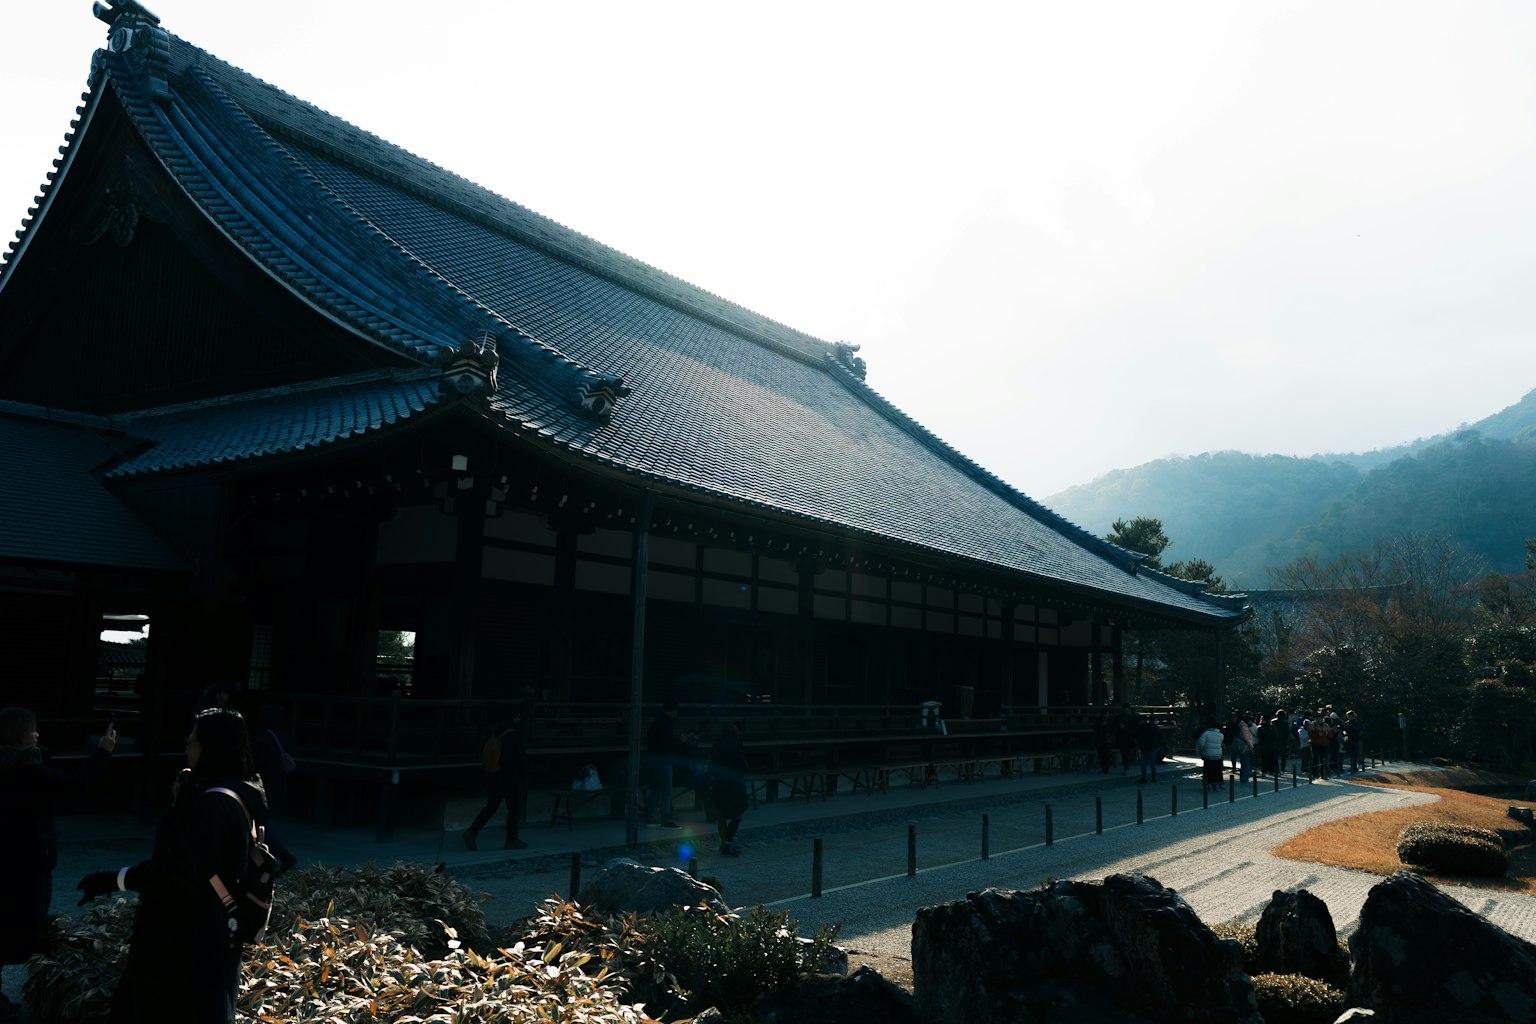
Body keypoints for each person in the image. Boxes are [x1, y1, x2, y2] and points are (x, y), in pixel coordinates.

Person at [76, 706, 266, 1024]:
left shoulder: (213, 804)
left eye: (192, 741)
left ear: (211, 748)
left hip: (186, 935)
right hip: (212, 927)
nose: (186, 746)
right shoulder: (235, 793)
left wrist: (117, 879)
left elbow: (179, 874)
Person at [0, 708, 116, 1012]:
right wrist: (103, 752)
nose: (37, 734)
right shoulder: (29, 772)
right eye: (32, 730)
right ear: (18, 735)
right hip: (28, 860)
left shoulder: (14, 768)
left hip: (8, 858)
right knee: (21, 925)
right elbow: (76, 786)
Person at [464, 702, 529, 851]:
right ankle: (511, 840)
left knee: (491, 806)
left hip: (494, 775)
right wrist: (524, 775)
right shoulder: (514, 734)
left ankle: (472, 831)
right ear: (517, 717)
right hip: (511, 777)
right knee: (514, 810)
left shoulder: (496, 732)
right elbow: (520, 759)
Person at [250, 704, 300, 873]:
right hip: (279, 784)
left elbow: (258, 763)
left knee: (259, 823)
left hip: (263, 785)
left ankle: (279, 857)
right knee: (262, 822)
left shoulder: (263, 737)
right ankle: (272, 859)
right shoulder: (284, 736)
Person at [646, 700, 691, 828]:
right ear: (671, 711)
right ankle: (667, 819)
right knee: (666, 790)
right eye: (676, 711)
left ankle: (650, 815)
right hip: (663, 760)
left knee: (655, 788)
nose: (677, 713)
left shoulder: (658, 722)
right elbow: (667, 743)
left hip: (655, 759)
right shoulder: (664, 724)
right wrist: (680, 741)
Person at [708, 721, 750, 855]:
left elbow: (711, 767)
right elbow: (744, 767)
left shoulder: (717, 746)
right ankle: (727, 842)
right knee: (738, 814)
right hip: (734, 785)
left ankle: (723, 842)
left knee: (721, 815)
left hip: (720, 784)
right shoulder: (737, 747)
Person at [1196, 722, 1225, 791]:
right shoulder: (1221, 735)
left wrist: (1201, 751)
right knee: (1216, 770)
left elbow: (1201, 743)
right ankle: (1216, 785)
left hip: (1208, 755)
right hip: (1218, 755)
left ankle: (1209, 785)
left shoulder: (1206, 734)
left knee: (1208, 770)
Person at [1136, 715, 1164, 784]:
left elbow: (1140, 738)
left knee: (1144, 764)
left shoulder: (1142, 728)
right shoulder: (1152, 727)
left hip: (1147, 747)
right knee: (1151, 763)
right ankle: (1152, 778)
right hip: (1151, 747)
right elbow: (1160, 735)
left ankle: (1144, 778)